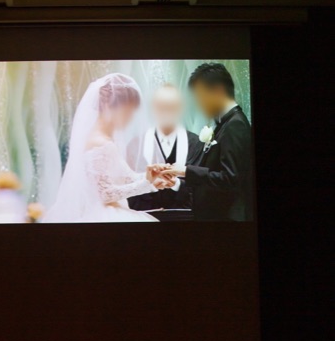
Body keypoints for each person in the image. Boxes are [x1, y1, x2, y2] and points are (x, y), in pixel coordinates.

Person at [41, 73, 174, 223]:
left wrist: (153, 178)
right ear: (107, 106)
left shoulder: (107, 140)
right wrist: (146, 184)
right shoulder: (98, 142)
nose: (130, 117)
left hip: (115, 209)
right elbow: (105, 194)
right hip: (104, 214)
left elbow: (125, 177)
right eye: (127, 110)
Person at [153, 63, 253, 221]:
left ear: (218, 91)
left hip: (227, 219)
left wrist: (186, 171)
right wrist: (179, 178)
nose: (199, 104)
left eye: (201, 97)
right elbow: (213, 172)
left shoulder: (235, 125)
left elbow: (229, 179)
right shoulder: (225, 124)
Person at [127, 84, 202, 213]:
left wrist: (177, 184)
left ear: (180, 109)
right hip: (145, 217)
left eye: (172, 106)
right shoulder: (136, 145)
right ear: (153, 108)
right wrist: (149, 184)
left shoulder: (196, 143)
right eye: (161, 106)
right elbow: (128, 187)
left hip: (185, 218)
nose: (166, 111)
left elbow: (200, 189)